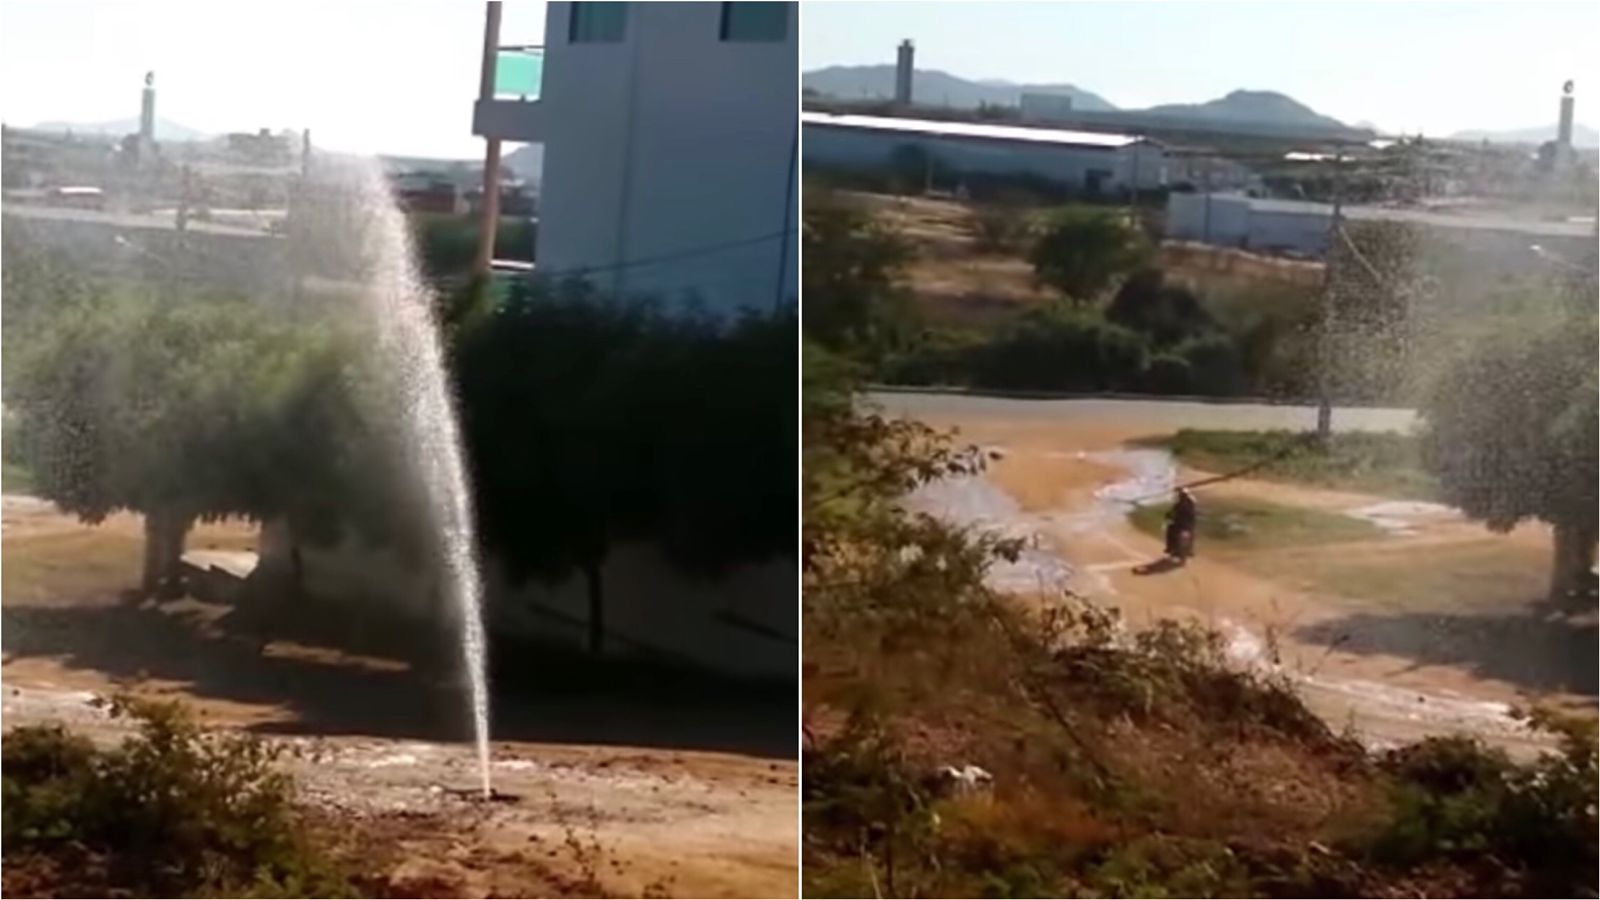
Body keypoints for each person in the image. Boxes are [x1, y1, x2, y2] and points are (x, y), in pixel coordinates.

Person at [1164, 488, 1197, 563]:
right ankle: (1190, 550)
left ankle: (1170, 548)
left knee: (1170, 530)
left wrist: (1168, 516)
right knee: (1192, 534)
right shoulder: (1192, 502)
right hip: (1189, 524)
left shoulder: (1180, 504)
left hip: (1181, 524)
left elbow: (1172, 512)